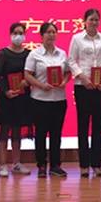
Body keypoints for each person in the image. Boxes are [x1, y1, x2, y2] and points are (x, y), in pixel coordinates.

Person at [68, 8, 101, 178]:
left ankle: (97, 164)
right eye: (91, 19)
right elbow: (71, 61)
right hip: (83, 86)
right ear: (85, 22)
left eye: (96, 20)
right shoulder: (77, 39)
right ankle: (84, 165)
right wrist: (83, 77)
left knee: (98, 126)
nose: (94, 22)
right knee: (83, 125)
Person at [24, 22, 71, 178]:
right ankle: (42, 165)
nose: (51, 35)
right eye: (48, 32)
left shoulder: (62, 54)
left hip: (59, 99)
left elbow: (68, 72)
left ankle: (55, 165)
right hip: (40, 99)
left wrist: (64, 81)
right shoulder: (34, 54)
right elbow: (27, 75)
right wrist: (41, 85)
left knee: (56, 134)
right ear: (41, 35)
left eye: (53, 32)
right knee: (41, 134)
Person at [0, 23, 33, 177]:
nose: (18, 36)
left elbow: (32, 73)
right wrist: (6, 91)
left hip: (22, 97)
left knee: (17, 131)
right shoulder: (2, 54)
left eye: (21, 33)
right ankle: (3, 165)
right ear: (10, 34)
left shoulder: (29, 54)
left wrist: (27, 81)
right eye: (15, 32)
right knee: (3, 131)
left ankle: (16, 163)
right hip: (6, 97)